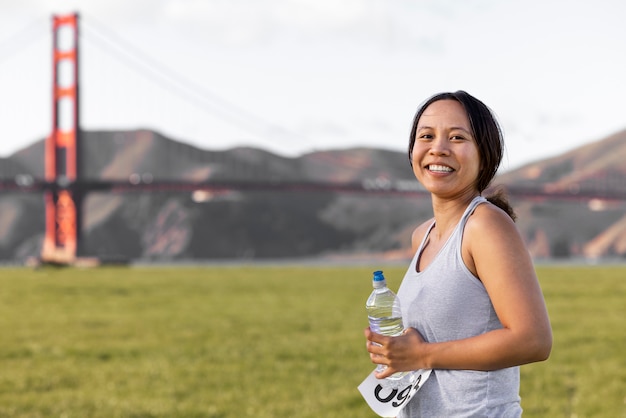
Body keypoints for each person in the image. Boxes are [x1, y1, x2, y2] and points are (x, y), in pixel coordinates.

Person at [364, 90, 552, 417]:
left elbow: (533, 339)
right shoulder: (421, 236)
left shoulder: (486, 225)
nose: (438, 147)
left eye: (457, 137)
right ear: (412, 152)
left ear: (485, 155)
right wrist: (400, 349)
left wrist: (422, 355)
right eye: (426, 136)